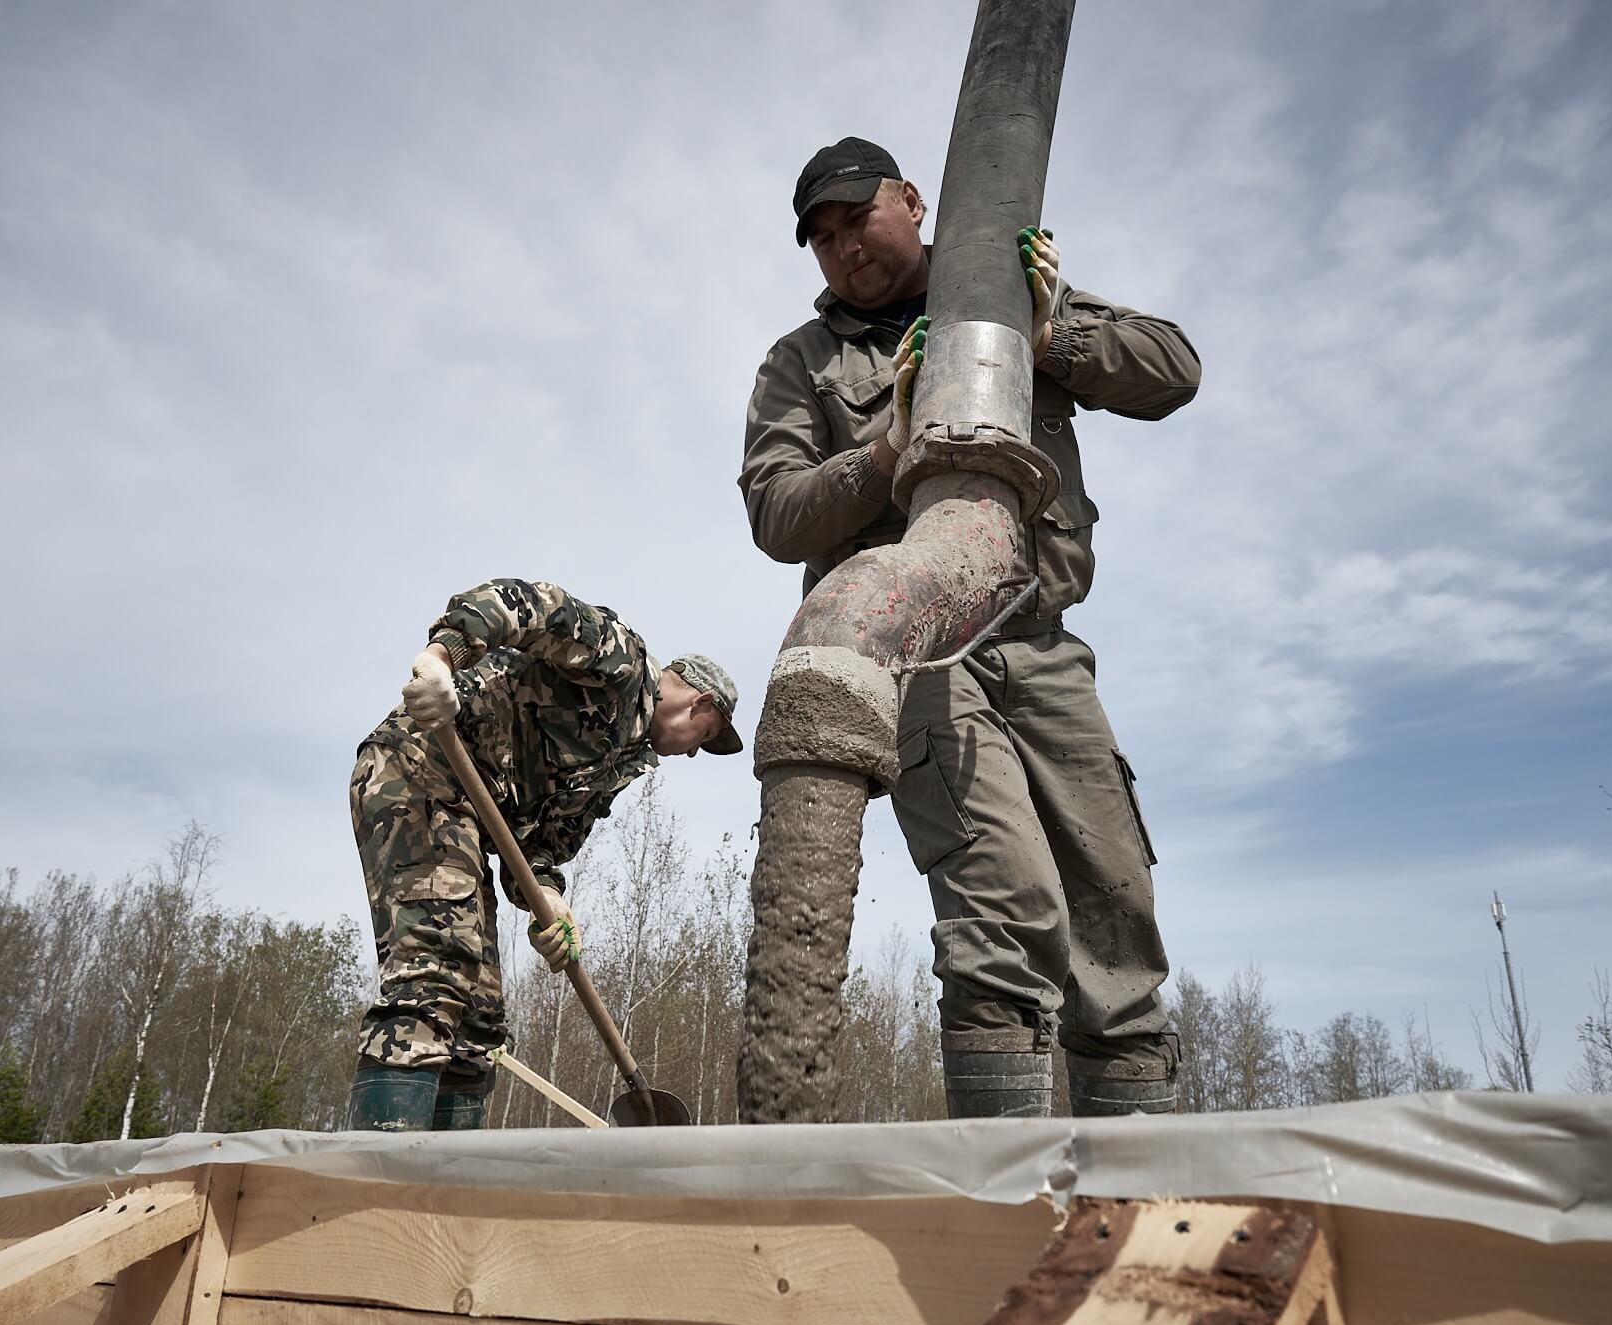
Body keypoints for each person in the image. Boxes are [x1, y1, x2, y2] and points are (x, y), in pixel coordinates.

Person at [738, 138, 1201, 1117]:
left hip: (1041, 641)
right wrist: (883, 450)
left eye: (854, 218)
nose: (840, 248)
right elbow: (777, 515)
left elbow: (1174, 368)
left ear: (910, 199)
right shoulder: (803, 362)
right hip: (920, 655)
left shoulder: (1002, 299)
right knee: (1005, 909)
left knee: (1115, 919)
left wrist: (1049, 334)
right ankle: (1005, 1210)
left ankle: (1139, 1212)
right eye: (818, 238)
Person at [346, 577, 741, 1132]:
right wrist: (442, 657)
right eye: (707, 735)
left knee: (480, 1022)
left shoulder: (619, 764)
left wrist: (549, 897)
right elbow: (520, 604)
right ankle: (375, 1184)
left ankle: (445, 1189)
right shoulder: (618, 661)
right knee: (435, 971)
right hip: (420, 771)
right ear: (701, 703)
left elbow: (540, 844)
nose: (697, 751)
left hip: (469, 821)